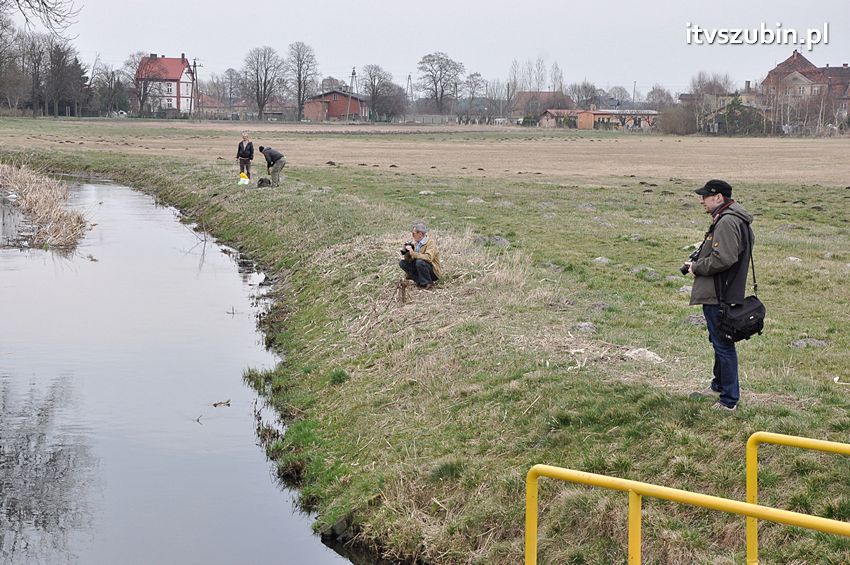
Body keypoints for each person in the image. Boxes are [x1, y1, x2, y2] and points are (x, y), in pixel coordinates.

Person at [685, 179, 754, 412]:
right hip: (726, 290)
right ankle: (718, 385)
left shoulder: (726, 221)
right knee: (719, 341)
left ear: (718, 198)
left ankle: (729, 400)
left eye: (705, 196)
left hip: (719, 293)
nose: (701, 200)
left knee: (723, 345)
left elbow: (723, 258)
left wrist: (697, 267)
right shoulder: (735, 219)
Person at [399, 222, 442, 289]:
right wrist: (407, 253)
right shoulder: (416, 243)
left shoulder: (430, 243)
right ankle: (419, 281)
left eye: (414, 234)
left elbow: (428, 257)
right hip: (421, 268)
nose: (412, 236)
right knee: (402, 263)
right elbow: (411, 260)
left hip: (433, 271)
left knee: (419, 262)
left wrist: (413, 253)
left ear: (420, 234)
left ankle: (428, 283)